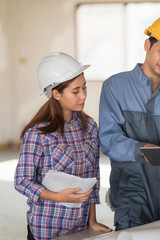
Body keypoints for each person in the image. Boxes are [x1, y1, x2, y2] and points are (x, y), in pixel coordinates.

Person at [98, 15, 160, 230]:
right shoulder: (115, 87)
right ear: (147, 45)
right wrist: (143, 149)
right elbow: (109, 139)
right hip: (130, 192)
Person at [14, 52, 112, 240]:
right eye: (75, 91)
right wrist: (57, 196)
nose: (83, 95)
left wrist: (92, 221)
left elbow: (93, 177)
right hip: (47, 228)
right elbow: (22, 181)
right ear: (56, 93)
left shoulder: (90, 127)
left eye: (84, 87)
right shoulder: (37, 134)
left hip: (80, 226)